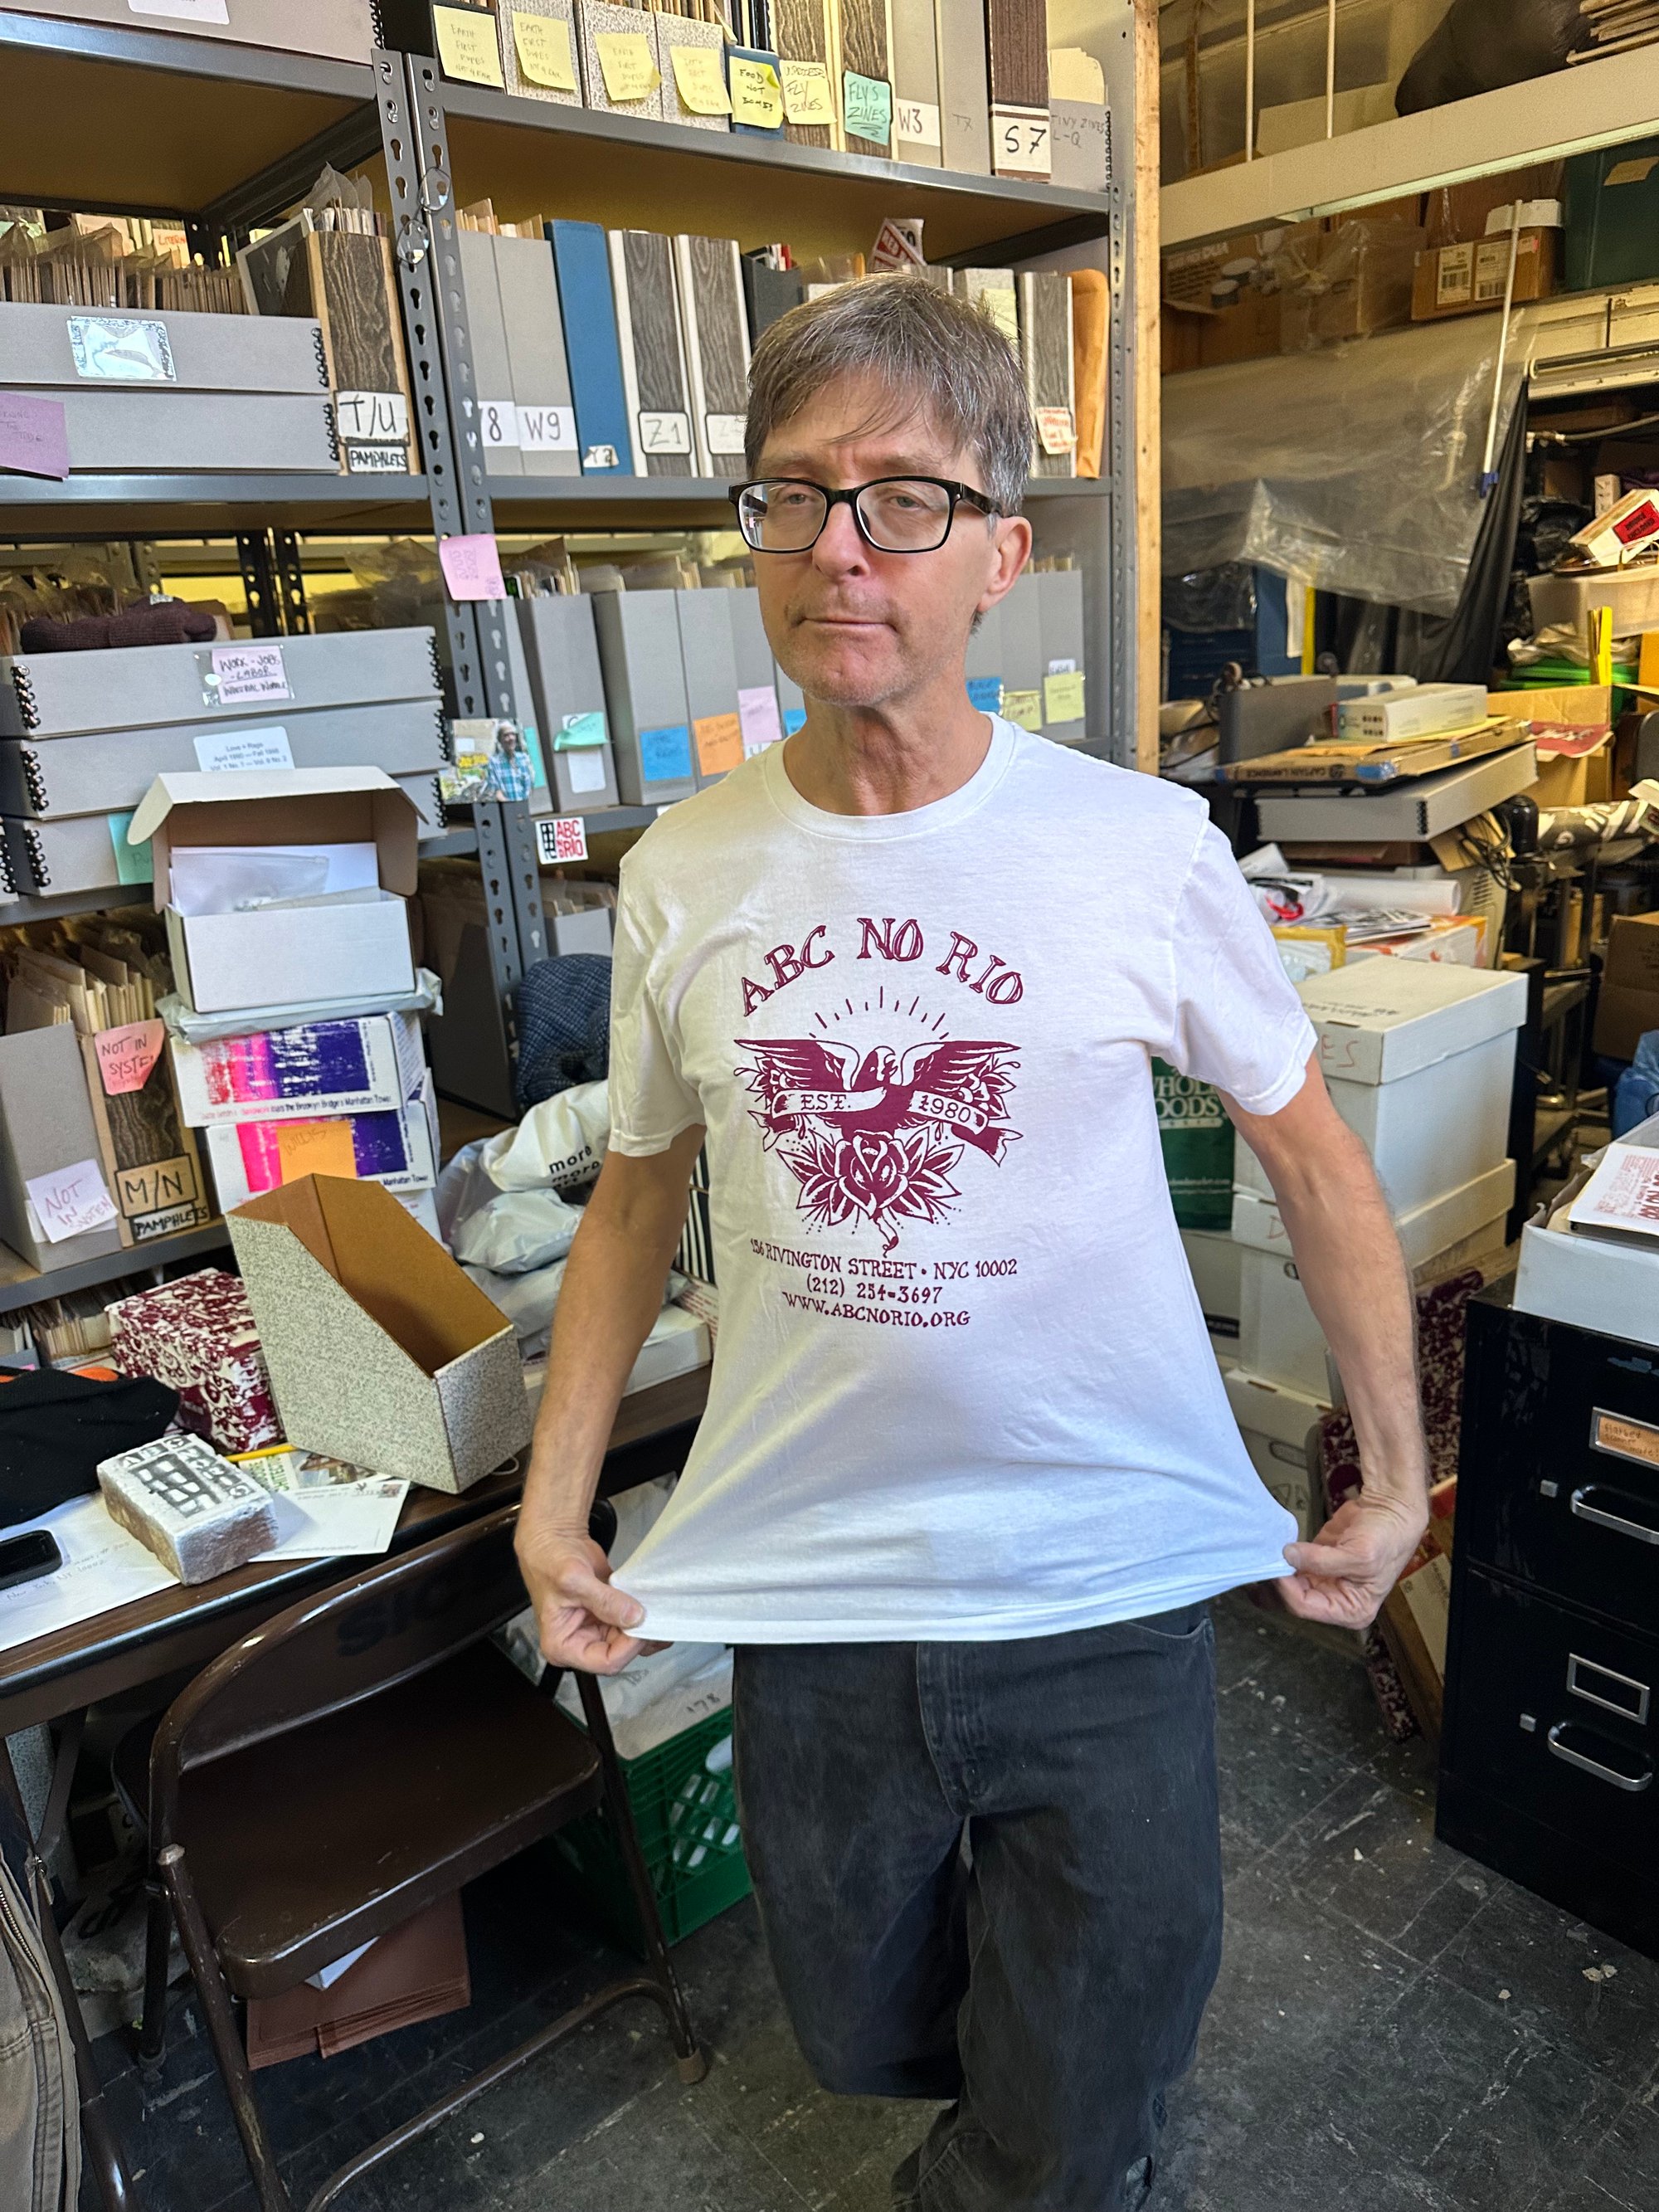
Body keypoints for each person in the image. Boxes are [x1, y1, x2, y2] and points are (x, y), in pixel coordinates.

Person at [515, 275, 1428, 2210]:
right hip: (815, 1591)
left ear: (1002, 553)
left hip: (1099, 1587)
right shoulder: (683, 872)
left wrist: (1397, 1471)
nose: (839, 546)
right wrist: (555, 1501)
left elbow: (1314, 1156)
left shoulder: (1138, 849)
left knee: (1082, 2093)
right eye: (794, 494)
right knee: (860, 2025)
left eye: (903, 498)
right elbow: (638, 1191)